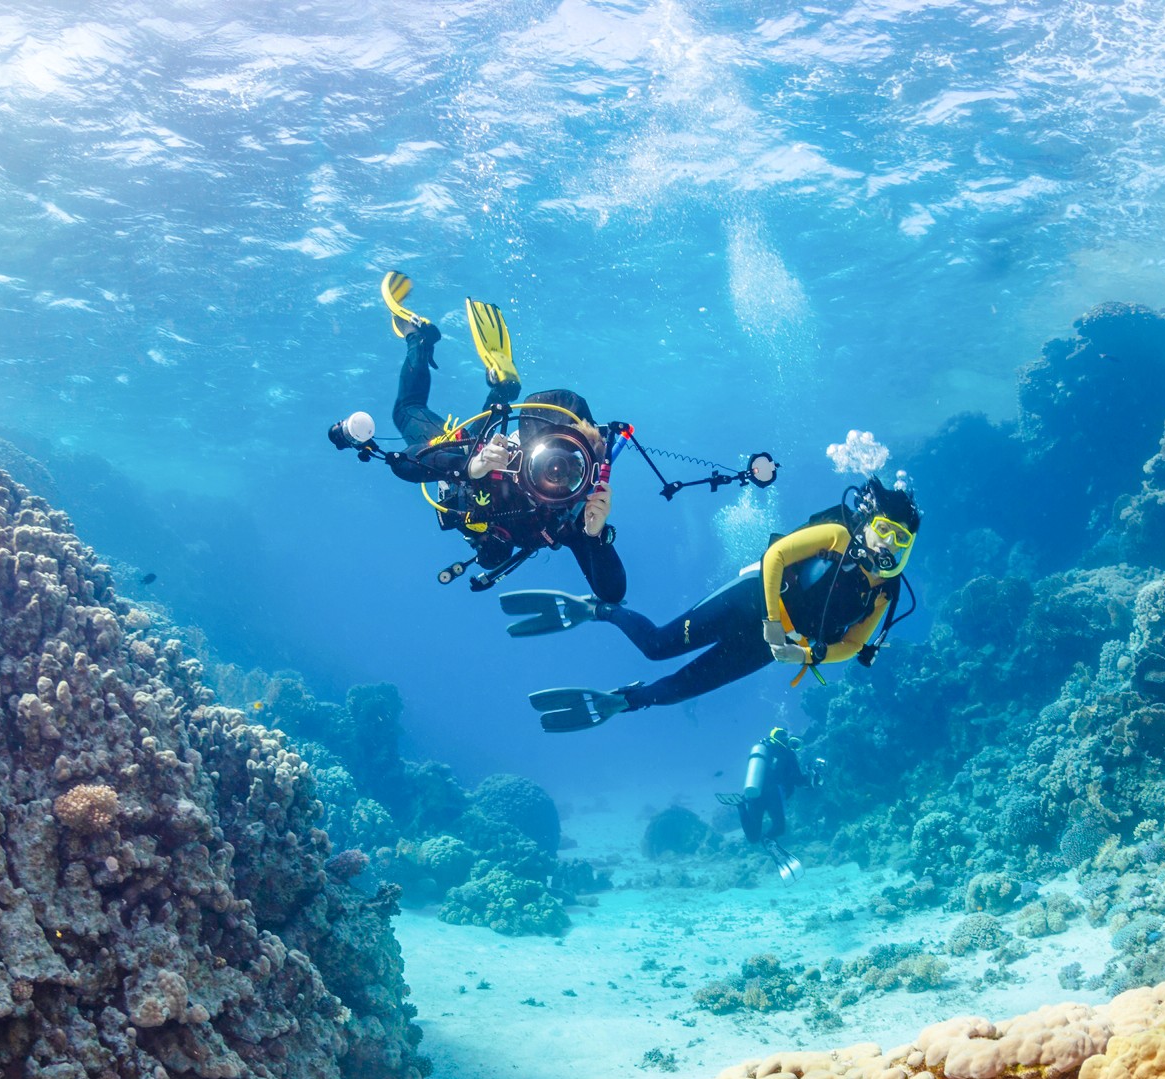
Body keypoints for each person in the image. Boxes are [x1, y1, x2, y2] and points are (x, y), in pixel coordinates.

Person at [508, 475, 919, 731]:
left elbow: (852, 645)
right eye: (884, 529)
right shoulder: (837, 536)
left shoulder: (886, 590)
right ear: (868, 523)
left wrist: (810, 652)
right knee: (656, 647)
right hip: (751, 601)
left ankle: (620, 701)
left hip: (774, 646)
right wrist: (774, 620)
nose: (888, 544)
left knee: (679, 690)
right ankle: (598, 609)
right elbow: (775, 558)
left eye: (900, 539)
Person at [373, 272, 625, 600]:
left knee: (415, 411)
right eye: (553, 460)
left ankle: (503, 386)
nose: (556, 473)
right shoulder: (502, 462)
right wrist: (470, 466)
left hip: (477, 463)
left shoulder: (573, 512)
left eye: (571, 469)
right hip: (476, 453)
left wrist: (595, 536)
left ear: (588, 474)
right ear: (534, 448)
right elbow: (405, 462)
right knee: (407, 410)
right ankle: (418, 338)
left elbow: (612, 592)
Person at [716, 727, 823, 881]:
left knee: (753, 837)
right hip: (774, 795)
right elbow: (798, 780)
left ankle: (740, 806)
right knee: (779, 827)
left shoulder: (764, 750)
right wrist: (813, 777)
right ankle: (769, 839)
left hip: (754, 795)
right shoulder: (788, 754)